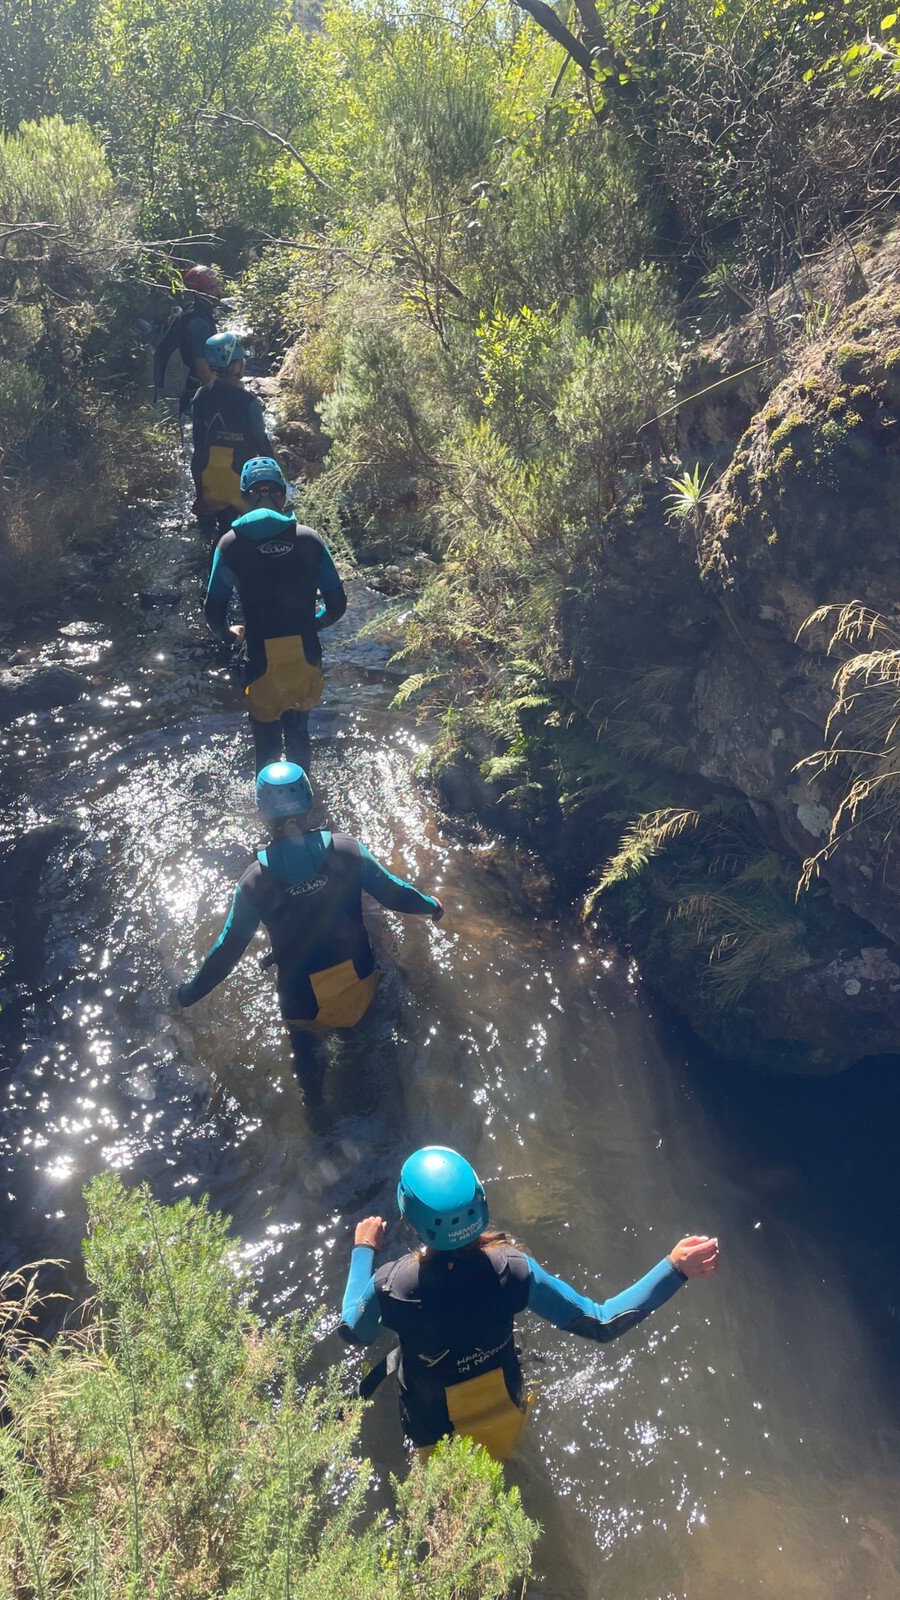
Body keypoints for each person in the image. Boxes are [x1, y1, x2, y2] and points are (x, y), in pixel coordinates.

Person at [340, 1146, 720, 1460]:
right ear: (480, 1201)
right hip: (505, 1407)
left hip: (433, 1429)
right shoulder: (514, 1270)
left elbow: (354, 1332)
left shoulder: (392, 1287)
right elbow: (602, 1323)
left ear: (411, 1218)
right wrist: (675, 1268)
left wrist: (363, 1250)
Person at [175, 762, 443, 1104]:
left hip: (302, 1000)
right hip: (357, 979)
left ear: (262, 811)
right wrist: (431, 906)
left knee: (308, 1068)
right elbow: (394, 893)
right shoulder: (348, 851)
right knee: (367, 1050)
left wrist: (187, 995)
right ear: (310, 799)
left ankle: (318, 1117)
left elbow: (227, 951)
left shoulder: (254, 882)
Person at [204, 457, 346, 773]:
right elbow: (337, 605)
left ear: (243, 498)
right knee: (298, 735)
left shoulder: (229, 546)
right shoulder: (309, 539)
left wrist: (230, 634)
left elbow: (213, 612)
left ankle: (271, 812)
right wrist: (314, 621)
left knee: (266, 744)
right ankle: (305, 796)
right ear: (283, 496)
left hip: (259, 662)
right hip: (305, 660)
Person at [190, 333, 272, 539]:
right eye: (241, 359)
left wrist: (200, 496)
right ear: (235, 365)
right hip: (241, 485)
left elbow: (198, 451)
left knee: (213, 539)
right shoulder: (248, 401)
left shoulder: (200, 396)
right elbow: (261, 443)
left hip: (211, 485)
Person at [154, 263, 221, 422]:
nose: (218, 293)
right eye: (211, 288)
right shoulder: (198, 324)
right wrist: (223, 395)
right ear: (198, 293)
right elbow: (202, 370)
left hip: (192, 391)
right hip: (195, 393)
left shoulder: (196, 314)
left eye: (217, 286)